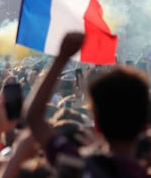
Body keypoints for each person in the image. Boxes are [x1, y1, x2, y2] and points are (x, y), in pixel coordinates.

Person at [26, 32, 150, 177]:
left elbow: (34, 118)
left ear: (96, 124)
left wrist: (62, 58)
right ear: (145, 125)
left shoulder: (79, 166)